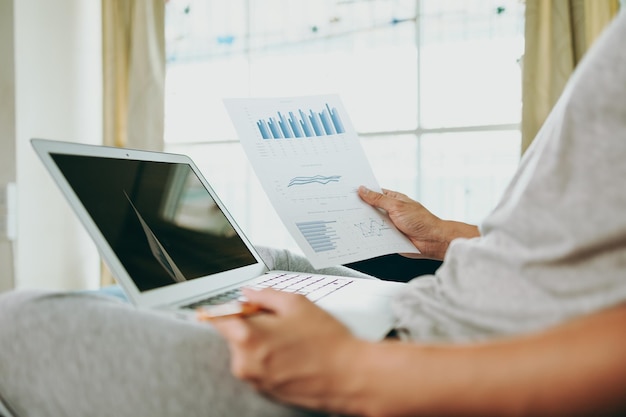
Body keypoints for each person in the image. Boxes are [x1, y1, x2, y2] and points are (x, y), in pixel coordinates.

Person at [1, 9, 626, 417]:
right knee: (260, 262)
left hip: (438, 354)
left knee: (17, 318)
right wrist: (451, 238)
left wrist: (357, 371)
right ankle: (195, 305)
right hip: (449, 300)